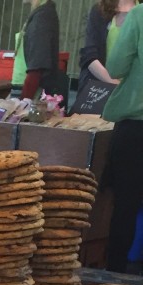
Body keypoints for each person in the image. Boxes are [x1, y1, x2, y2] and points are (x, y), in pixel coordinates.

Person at [103, 2, 143, 270]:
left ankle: (114, 277)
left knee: (126, 206)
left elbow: (115, 66)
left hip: (136, 127)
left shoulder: (140, 15)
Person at [79, 0, 138, 91]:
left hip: (134, 90)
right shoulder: (99, 10)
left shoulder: (140, 13)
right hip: (100, 86)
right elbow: (90, 56)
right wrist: (116, 84)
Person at [19, 0, 60, 99]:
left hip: (34, 96)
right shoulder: (42, 14)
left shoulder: (42, 17)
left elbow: (37, 67)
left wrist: (23, 102)